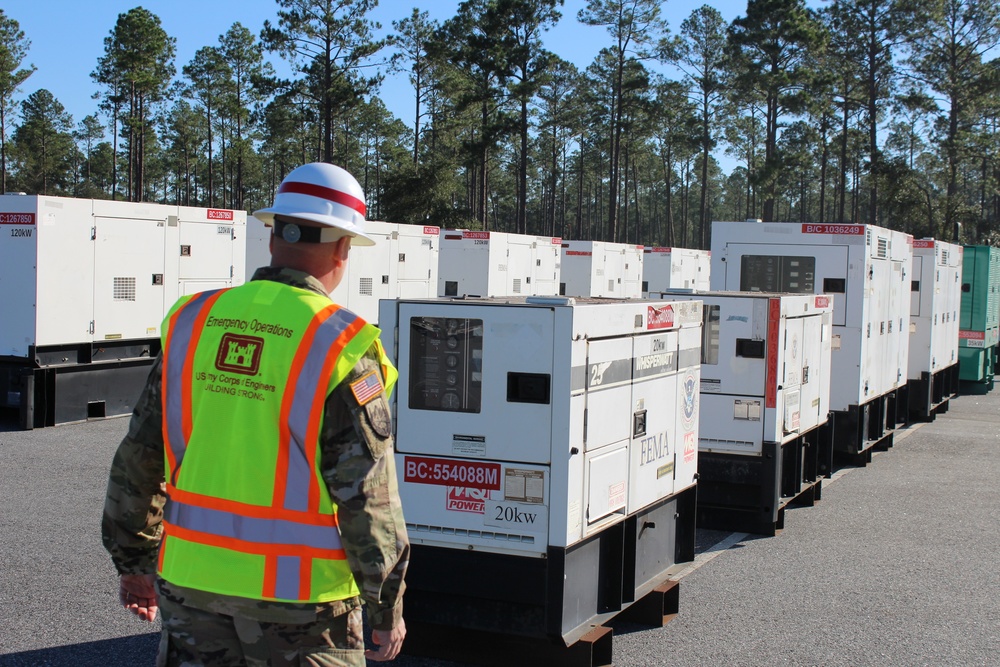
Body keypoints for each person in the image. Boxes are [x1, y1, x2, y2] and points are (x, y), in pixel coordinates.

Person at [102, 162, 409, 666]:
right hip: (303, 606)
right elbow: (368, 496)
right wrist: (386, 605)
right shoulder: (342, 344)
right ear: (342, 247)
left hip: (190, 584)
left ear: (272, 237)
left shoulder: (191, 322)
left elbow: (139, 458)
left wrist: (133, 562)